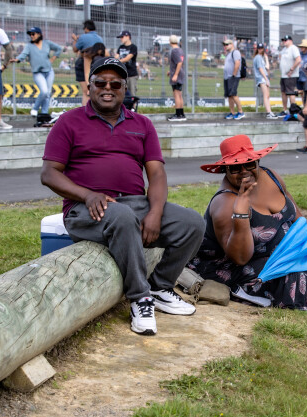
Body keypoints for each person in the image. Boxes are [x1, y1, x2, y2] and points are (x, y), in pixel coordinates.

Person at [41, 57, 205, 336]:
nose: (108, 88)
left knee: (192, 223)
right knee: (123, 216)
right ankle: (140, 298)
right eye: (100, 83)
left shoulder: (142, 124)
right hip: (84, 209)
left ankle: (160, 287)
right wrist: (87, 195)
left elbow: (157, 173)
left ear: (124, 89)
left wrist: (155, 212)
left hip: (134, 203)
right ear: (90, 87)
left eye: (115, 84)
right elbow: (49, 174)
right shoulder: (69, 122)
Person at [188, 135, 307, 321]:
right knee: (294, 272)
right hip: (239, 268)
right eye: (235, 168)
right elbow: (240, 258)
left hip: (277, 251)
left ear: (257, 162)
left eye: (250, 164)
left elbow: (298, 218)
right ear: (225, 170)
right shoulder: (224, 203)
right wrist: (241, 214)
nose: (244, 171)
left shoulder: (270, 176)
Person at [10, 27, 61, 117]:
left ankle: (44, 113)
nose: (31, 36)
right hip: (38, 73)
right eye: (30, 34)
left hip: (49, 72)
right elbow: (23, 54)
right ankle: (35, 108)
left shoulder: (47, 43)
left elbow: (58, 48)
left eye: (33, 34)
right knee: (44, 91)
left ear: (39, 34)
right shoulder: (29, 46)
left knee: (47, 94)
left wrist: (53, 58)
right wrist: (17, 59)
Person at [71, 19, 103, 106]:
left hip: (83, 64)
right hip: (97, 64)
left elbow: (75, 49)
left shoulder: (83, 37)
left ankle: (85, 111)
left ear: (86, 28)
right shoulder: (100, 38)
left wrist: (75, 40)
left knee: (86, 92)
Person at [253, 42, 277, 119]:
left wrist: (266, 59)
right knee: (266, 95)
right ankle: (268, 112)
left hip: (264, 77)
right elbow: (260, 69)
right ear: (257, 49)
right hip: (262, 78)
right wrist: (266, 79)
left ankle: (270, 112)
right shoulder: (258, 57)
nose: (260, 50)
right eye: (259, 48)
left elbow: (267, 68)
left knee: (267, 95)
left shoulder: (261, 57)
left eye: (261, 48)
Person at [221, 38, 244, 120]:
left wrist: (234, 74)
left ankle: (240, 112)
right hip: (227, 77)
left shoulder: (235, 52)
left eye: (227, 44)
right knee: (229, 95)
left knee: (233, 94)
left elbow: (237, 63)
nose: (225, 46)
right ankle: (232, 112)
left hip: (233, 77)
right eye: (224, 45)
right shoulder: (228, 54)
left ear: (232, 44)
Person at [278, 35, 300, 116]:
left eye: (286, 40)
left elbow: (298, 60)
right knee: (283, 92)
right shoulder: (284, 49)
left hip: (291, 75)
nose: (284, 42)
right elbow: (280, 57)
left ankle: (293, 110)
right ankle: (285, 110)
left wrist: (292, 69)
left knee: (291, 93)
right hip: (284, 75)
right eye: (283, 40)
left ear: (290, 41)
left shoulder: (293, 48)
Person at [167, 35, 186, 121]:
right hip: (179, 73)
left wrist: (175, 74)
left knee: (176, 94)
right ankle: (181, 113)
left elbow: (179, 63)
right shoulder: (180, 50)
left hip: (177, 75)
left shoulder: (174, 51)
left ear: (170, 41)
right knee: (179, 94)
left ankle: (178, 114)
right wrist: (171, 71)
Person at [114, 30, 138, 96]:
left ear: (128, 37)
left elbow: (127, 58)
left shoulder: (133, 47)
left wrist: (117, 61)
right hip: (122, 74)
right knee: (122, 94)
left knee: (132, 94)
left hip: (131, 75)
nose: (121, 39)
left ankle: (132, 103)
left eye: (122, 37)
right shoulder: (120, 47)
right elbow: (116, 57)